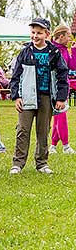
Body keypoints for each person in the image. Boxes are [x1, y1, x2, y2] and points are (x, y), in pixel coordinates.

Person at [10, 17, 69, 175]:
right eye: (33, 32)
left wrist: (61, 98)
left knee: (43, 131)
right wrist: (16, 96)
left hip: (46, 97)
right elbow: (15, 76)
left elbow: (63, 75)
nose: (35, 36)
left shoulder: (54, 53)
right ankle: (18, 163)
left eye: (39, 33)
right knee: (23, 130)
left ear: (47, 34)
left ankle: (41, 163)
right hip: (27, 97)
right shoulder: (25, 52)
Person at [49, 24, 76, 154]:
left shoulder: (65, 49)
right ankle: (66, 146)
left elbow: (72, 66)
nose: (70, 38)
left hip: (64, 86)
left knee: (59, 116)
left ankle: (53, 146)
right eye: (68, 36)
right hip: (56, 87)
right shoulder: (52, 50)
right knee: (61, 116)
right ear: (61, 36)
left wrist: (74, 50)